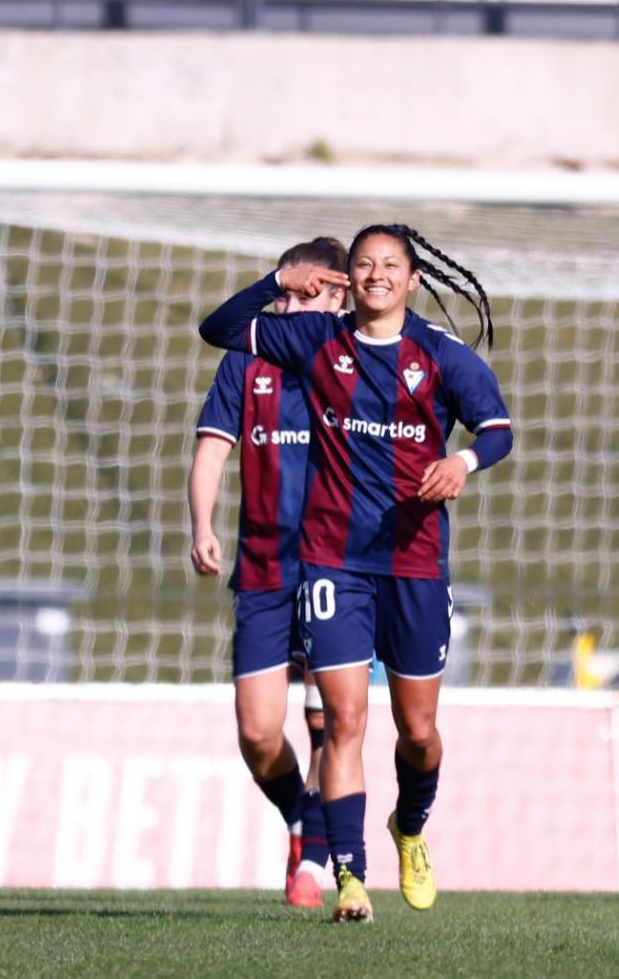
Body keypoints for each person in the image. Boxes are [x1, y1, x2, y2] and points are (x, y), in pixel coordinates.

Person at [200, 224, 513, 923]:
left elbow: (497, 428)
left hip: (413, 563)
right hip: (333, 562)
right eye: (365, 263)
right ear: (352, 278)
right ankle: (348, 877)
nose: (375, 274)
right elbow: (219, 329)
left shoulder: (439, 355)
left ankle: (409, 828)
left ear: (410, 280)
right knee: (343, 720)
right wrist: (279, 285)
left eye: (389, 265)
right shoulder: (318, 341)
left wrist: (462, 462)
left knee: (419, 731)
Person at [189, 236, 349, 908]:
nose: (308, 304)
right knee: (258, 732)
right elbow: (211, 453)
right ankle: (300, 819)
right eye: (301, 291)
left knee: (328, 722)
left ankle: (315, 858)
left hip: (336, 569)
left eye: (323, 293)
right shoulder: (244, 362)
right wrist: (202, 525)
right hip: (260, 568)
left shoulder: (349, 363)